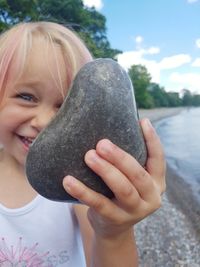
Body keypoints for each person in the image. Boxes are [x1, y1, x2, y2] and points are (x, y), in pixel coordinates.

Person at [0, 21, 166, 267]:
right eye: (26, 97)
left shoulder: (76, 185)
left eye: (66, 105)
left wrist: (114, 233)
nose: (44, 121)